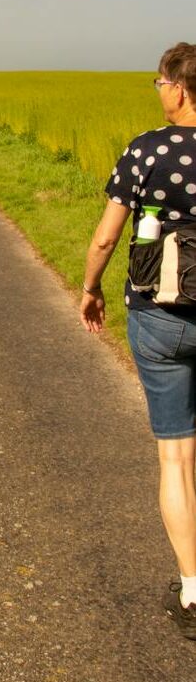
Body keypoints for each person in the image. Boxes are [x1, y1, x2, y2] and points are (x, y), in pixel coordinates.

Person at [80, 42, 196, 640]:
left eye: (159, 81)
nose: (158, 90)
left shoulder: (148, 149)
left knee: (178, 456)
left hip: (161, 315)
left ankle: (194, 590)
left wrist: (90, 288)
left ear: (177, 89)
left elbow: (105, 238)